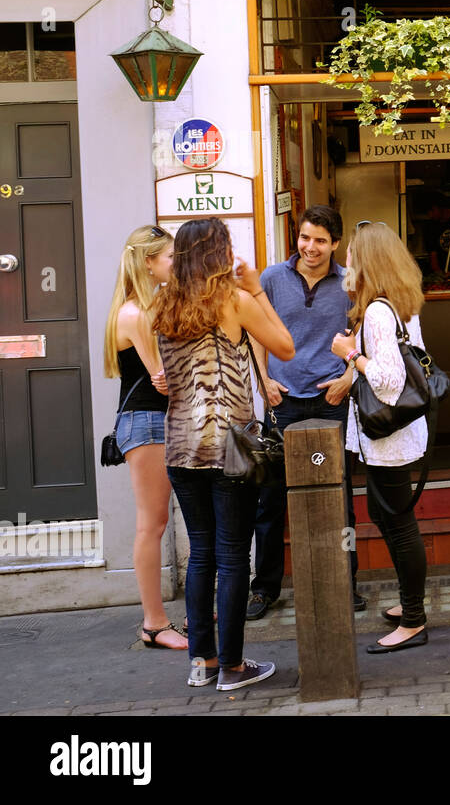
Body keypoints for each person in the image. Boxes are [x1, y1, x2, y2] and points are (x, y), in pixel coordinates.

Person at [152, 218, 295, 691]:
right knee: (234, 556)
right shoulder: (231, 301)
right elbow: (285, 347)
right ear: (219, 252)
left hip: (179, 445)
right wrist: (257, 291)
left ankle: (203, 662)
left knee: (202, 555)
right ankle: (233, 667)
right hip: (227, 445)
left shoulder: (163, 303)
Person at [248, 205, 365, 620]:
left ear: (335, 244)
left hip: (331, 399)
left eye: (320, 240)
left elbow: (364, 334)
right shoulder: (272, 279)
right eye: (304, 238)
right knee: (270, 498)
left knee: (338, 495)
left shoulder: (350, 282)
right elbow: (256, 332)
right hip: (281, 402)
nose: (310, 247)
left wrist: (349, 376)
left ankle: (344, 583)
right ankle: (264, 587)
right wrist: (263, 379)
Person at [330, 221, 430, 654]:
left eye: (352, 254)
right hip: (396, 435)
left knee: (398, 523)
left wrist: (349, 354)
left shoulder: (376, 312)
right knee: (386, 516)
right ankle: (411, 603)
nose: (346, 261)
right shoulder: (399, 304)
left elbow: (388, 382)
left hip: (388, 437)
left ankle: (413, 620)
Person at [104, 225, 186, 651]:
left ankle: (168, 617)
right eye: (171, 256)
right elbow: (164, 381)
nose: (176, 262)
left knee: (158, 522)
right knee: (151, 525)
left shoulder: (146, 307)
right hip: (147, 422)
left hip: (153, 421)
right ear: (149, 262)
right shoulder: (136, 313)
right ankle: (154, 623)